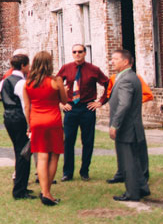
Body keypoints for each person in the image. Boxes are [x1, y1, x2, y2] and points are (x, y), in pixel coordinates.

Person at [56, 44, 109, 182]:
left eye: (80, 51)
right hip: (71, 108)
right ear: (72, 53)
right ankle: (67, 173)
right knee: (68, 141)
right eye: (74, 52)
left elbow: (108, 85)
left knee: (88, 141)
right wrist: (62, 103)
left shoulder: (94, 69)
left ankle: (84, 171)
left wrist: (100, 102)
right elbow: (55, 86)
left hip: (87, 108)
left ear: (85, 53)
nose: (77, 54)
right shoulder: (66, 68)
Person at [23, 51, 68, 206]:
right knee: (54, 155)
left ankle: (45, 192)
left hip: (36, 121)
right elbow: (64, 100)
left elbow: (27, 107)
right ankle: (47, 192)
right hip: (53, 120)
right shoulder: (56, 81)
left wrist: (29, 125)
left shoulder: (28, 82)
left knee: (41, 157)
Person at [108, 49, 150, 202]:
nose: (112, 61)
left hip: (127, 127)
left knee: (128, 161)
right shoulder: (128, 76)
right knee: (134, 159)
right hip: (131, 126)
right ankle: (142, 187)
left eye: (115, 59)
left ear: (125, 62)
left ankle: (132, 193)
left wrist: (115, 125)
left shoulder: (126, 79)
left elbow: (124, 104)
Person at [104, 68, 153, 184]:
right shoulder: (114, 78)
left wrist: (133, 102)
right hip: (119, 117)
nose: (113, 62)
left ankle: (142, 175)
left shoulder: (133, 78)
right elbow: (110, 94)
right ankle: (121, 172)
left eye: (116, 59)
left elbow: (148, 95)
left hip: (130, 118)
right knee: (121, 148)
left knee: (135, 148)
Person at [0, 53, 35, 199]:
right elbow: (25, 105)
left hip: (8, 117)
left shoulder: (4, 81)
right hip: (19, 117)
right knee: (24, 154)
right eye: (28, 65)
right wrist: (30, 124)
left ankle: (21, 186)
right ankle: (20, 190)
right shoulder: (21, 83)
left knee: (19, 151)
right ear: (23, 66)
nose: (29, 67)